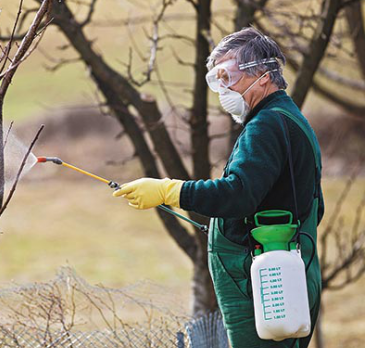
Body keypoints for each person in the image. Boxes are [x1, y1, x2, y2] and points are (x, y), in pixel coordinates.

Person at [112, 27, 324, 348]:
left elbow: (237, 194)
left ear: (263, 76)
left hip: (265, 287)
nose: (223, 88)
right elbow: (310, 207)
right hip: (284, 278)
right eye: (217, 79)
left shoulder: (266, 126)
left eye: (228, 76)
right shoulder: (288, 119)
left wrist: (170, 191)